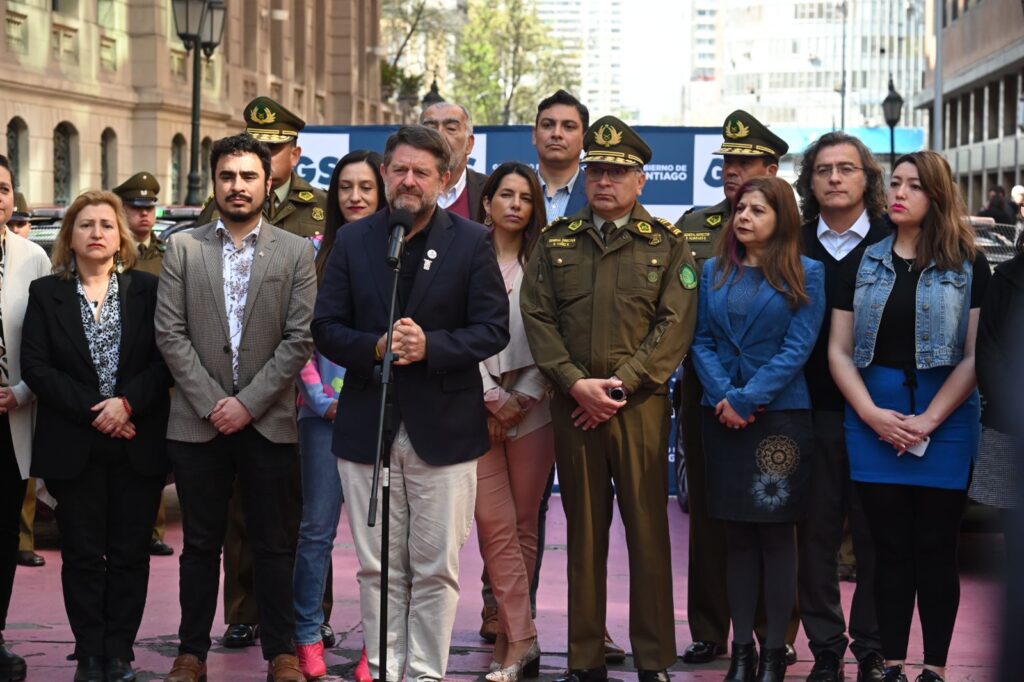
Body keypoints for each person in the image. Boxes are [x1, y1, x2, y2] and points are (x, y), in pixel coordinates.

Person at [312, 124, 509, 681]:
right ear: (384, 174)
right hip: (367, 427)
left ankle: (424, 674)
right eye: (399, 169)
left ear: (444, 180)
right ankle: (384, 670)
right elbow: (325, 327)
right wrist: (374, 347)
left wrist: (432, 347)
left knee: (436, 569)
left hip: (444, 430)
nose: (408, 180)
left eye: (422, 172)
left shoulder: (471, 240)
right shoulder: (354, 240)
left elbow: (492, 328)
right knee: (377, 569)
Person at [521, 115, 698, 682]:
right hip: (574, 407)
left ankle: (654, 658)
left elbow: (675, 324)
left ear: (640, 180)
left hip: (639, 407)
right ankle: (585, 658)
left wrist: (621, 384)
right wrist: (575, 383)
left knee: (647, 532)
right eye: (596, 170)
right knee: (584, 533)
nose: (604, 181)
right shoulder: (556, 242)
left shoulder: (667, 244)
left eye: (618, 172)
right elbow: (537, 318)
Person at [155, 133, 316, 682]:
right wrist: (212, 403)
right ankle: (191, 654)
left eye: (248, 176)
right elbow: (170, 334)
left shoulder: (295, 251)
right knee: (200, 545)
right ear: (215, 183)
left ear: (268, 183)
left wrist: (246, 405)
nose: (237, 186)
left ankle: (281, 653)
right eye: (227, 176)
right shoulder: (183, 248)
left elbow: (298, 339)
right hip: (197, 425)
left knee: (273, 544)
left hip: (268, 423)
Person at [829, 151, 989, 682]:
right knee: (887, 550)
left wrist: (930, 420)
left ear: (936, 195)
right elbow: (838, 351)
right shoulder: (863, 262)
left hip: (947, 420)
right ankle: (892, 664)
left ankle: (934, 668)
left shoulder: (969, 262)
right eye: (895, 183)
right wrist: (872, 415)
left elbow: (975, 356)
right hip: (873, 419)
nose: (899, 193)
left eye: (914, 185)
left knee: (936, 550)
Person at [21, 190, 171, 682]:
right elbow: (36, 367)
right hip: (75, 444)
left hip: (136, 440)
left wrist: (126, 404)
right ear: (70, 236)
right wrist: (99, 411)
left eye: (107, 224)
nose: (97, 233)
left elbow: (164, 360)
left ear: (120, 236)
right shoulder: (46, 293)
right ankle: (89, 653)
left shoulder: (148, 290)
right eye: (85, 225)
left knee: (130, 555)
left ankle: (120, 652)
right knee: (83, 555)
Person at [199, 96, 330, 651]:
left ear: (294, 154)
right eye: (257, 146)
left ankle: (312, 612)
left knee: (305, 504)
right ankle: (244, 609)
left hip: (306, 378)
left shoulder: (320, 209)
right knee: (240, 507)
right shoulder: (215, 208)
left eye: (274, 149)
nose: (263, 157)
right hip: (234, 382)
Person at [675, 110, 799, 666]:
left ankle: (775, 632)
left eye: (746, 162)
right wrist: (721, 390)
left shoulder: (793, 232)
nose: (733, 170)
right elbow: (684, 317)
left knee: (775, 516)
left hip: (776, 398)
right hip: (706, 391)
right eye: (728, 160)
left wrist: (752, 395)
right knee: (708, 515)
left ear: (771, 170)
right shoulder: (694, 225)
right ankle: (709, 629)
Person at [691, 177, 825, 682]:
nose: (743, 217)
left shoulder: (807, 272)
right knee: (737, 539)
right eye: (740, 209)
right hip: (721, 416)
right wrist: (726, 396)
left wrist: (746, 399)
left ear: (782, 219)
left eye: (757, 210)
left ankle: (773, 654)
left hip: (780, 419)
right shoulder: (713, 270)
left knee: (775, 538)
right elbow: (700, 340)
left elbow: (798, 348)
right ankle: (741, 653)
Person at [793, 131, 890, 682]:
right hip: (807, 409)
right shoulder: (792, 242)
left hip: (880, 412)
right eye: (823, 169)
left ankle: (872, 647)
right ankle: (826, 647)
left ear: (866, 178)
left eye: (846, 168)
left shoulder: (893, 239)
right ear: (809, 181)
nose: (834, 177)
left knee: (876, 536)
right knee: (816, 536)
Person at [293, 149, 384, 680]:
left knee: (381, 538)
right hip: (320, 415)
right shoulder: (311, 253)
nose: (354, 196)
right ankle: (307, 635)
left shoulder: (398, 253)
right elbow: (297, 337)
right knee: (316, 531)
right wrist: (323, 399)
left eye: (366, 187)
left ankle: (378, 644)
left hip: (381, 412)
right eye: (345, 187)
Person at [473, 162, 553, 682]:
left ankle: (512, 638)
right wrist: (490, 396)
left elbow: (557, 334)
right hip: (474, 404)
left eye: (525, 197)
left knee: (524, 525)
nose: (515, 204)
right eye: (506, 194)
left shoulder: (548, 262)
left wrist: (520, 397)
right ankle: (523, 637)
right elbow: (448, 330)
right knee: (493, 526)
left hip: (535, 406)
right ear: (487, 202)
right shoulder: (462, 255)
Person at [0, 155, 52, 682]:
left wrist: (20, 392)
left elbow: (47, 342)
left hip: (11, 419)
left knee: (3, 536)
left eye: (2, 188)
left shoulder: (32, 258)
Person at [111, 171, 175, 558]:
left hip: (157, 367)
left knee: (153, 452)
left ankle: (153, 529)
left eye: (150, 208)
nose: (145, 215)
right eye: (136, 208)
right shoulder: (109, 254)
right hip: (114, 369)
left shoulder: (167, 255)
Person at [420, 101, 488, 219]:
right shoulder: (403, 188)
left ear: (469, 144)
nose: (439, 136)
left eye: (451, 129)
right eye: (430, 129)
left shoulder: (490, 190)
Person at [533, 89, 589, 220]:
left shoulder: (598, 194)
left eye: (568, 127)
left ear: (584, 138)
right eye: (547, 125)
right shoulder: (515, 192)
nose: (556, 134)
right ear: (534, 135)